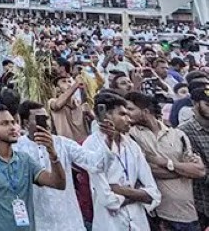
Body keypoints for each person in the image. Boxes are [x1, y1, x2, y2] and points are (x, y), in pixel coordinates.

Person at [0, 104, 67, 231]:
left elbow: (58, 183)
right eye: (5, 123)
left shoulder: (25, 160)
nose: (12, 127)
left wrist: (52, 153)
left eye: (13, 123)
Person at [14, 100, 106, 231]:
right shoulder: (17, 148)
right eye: (39, 119)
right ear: (25, 123)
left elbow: (95, 163)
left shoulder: (62, 144)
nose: (45, 123)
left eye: (46, 118)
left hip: (69, 222)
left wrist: (107, 138)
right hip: (38, 223)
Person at [125, 91, 205, 231]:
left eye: (130, 109)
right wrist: (183, 171)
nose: (126, 113)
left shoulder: (177, 134)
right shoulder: (132, 135)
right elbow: (146, 170)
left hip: (188, 212)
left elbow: (199, 171)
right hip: (160, 214)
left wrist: (165, 163)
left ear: (145, 111)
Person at [83, 92, 161, 231]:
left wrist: (120, 190)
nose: (129, 119)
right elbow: (108, 200)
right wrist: (137, 194)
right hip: (110, 224)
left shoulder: (132, 145)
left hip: (138, 222)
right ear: (107, 115)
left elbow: (154, 194)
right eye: (122, 114)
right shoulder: (92, 145)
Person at [177, 81, 209, 228]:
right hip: (202, 202)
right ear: (195, 104)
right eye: (207, 105)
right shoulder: (184, 131)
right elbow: (194, 169)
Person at [48, 74, 90, 143]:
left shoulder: (78, 103)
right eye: (64, 82)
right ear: (57, 89)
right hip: (65, 145)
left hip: (82, 145)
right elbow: (57, 105)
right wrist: (75, 85)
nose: (68, 84)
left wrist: (82, 88)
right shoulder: (52, 101)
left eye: (69, 82)